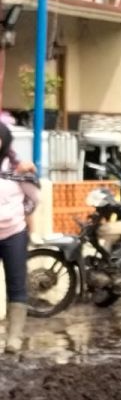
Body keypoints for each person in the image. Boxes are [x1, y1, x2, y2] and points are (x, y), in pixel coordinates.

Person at [0, 124, 37, 354]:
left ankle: (13, 338)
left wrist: (20, 215)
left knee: (16, 285)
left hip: (13, 234)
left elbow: (34, 197)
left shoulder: (18, 168)